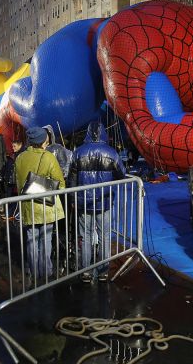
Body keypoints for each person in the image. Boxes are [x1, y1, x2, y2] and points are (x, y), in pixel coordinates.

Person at [68, 121, 127, 283]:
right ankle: (103, 271)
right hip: (105, 201)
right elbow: (121, 175)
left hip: (83, 202)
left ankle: (86, 272)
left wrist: (73, 199)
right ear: (103, 133)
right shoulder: (111, 153)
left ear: (87, 133)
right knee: (105, 236)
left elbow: (71, 179)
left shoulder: (78, 153)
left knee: (85, 236)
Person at [15, 126, 65, 282]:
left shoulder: (20, 157)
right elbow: (60, 184)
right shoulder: (48, 157)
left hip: (27, 205)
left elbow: (18, 183)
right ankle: (46, 272)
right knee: (46, 240)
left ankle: (34, 272)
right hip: (45, 206)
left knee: (31, 240)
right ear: (44, 140)